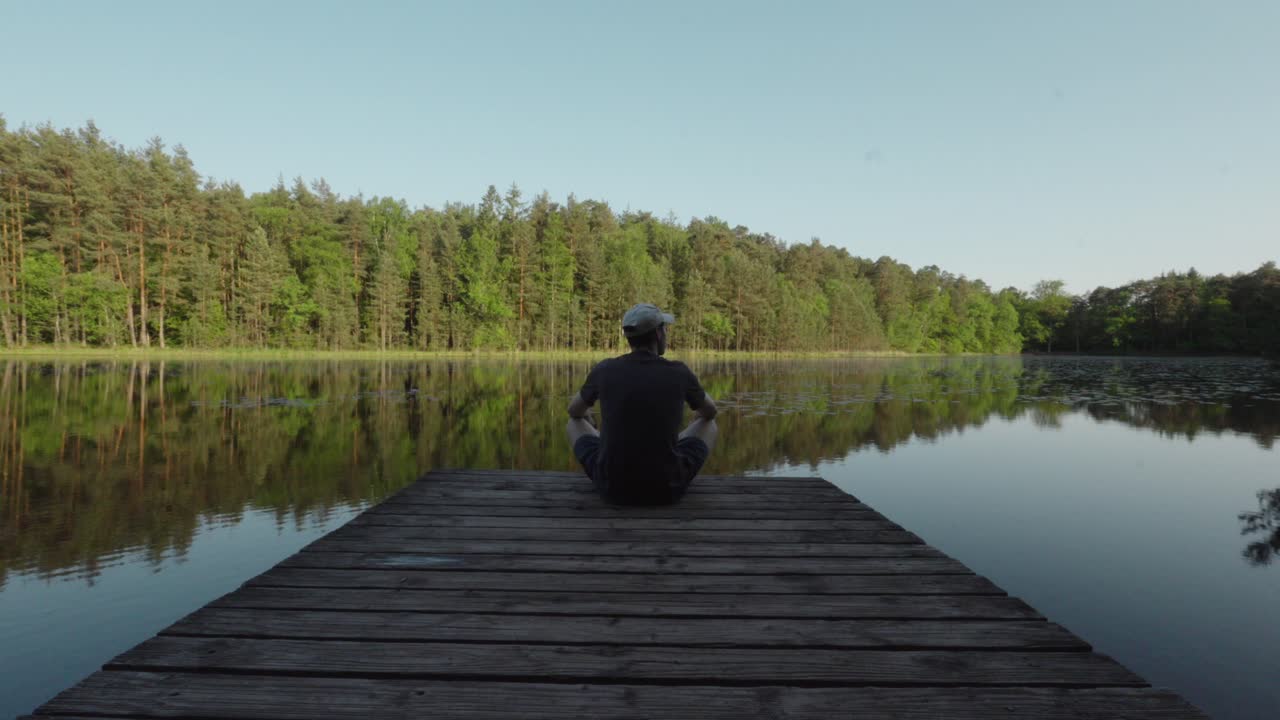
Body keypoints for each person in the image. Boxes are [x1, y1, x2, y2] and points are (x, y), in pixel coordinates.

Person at [566, 303, 718, 504]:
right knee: (709, 424)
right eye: (665, 328)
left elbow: (574, 411)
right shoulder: (679, 372)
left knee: (574, 422)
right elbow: (710, 411)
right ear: (657, 334)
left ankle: (611, 453)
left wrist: (591, 419)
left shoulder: (605, 369)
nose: (666, 333)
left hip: (612, 488)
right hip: (665, 489)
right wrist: (697, 417)